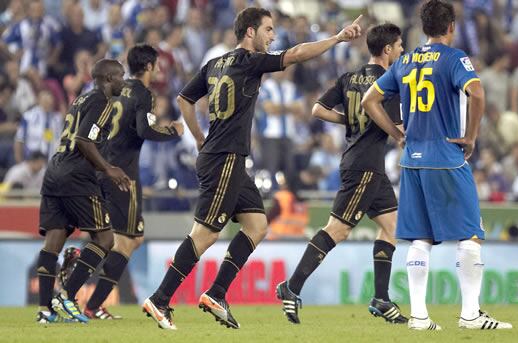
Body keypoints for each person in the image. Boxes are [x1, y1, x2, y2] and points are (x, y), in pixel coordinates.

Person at [142, 7, 363, 330]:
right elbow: (298, 54)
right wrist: (339, 38)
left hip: (226, 157)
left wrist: (200, 136)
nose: (272, 37)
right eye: (268, 30)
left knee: (257, 225)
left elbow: (184, 99)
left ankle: (217, 292)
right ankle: (161, 298)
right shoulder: (251, 61)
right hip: (224, 159)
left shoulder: (215, 64)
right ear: (250, 32)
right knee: (204, 234)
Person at [361, 0, 512, 331]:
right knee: (471, 234)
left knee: (419, 238)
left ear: (423, 27)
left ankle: (419, 316)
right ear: (451, 27)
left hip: (411, 161)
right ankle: (470, 314)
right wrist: (470, 137)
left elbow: (368, 100)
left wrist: (395, 132)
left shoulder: (405, 60)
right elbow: (478, 94)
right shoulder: (455, 58)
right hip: (446, 157)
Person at [275, 23, 407, 325]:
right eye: (399, 46)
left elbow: (318, 110)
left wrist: (349, 120)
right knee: (338, 229)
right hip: (364, 165)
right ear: (387, 50)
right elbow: (398, 129)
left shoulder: (349, 77)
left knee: (391, 226)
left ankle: (381, 299)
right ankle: (291, 287)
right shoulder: (390, 82)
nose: (401, 51)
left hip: (364, 163)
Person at [82, 44, 184, 320]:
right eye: (158, 64)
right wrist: (172, 131)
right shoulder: (143, 94)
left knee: (112, 239)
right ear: (149, 66)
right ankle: (90, 304)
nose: (160, 68)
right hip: (123, 174)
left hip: (99, 166)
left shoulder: (116, 87)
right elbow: (144, 130)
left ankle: (86, 297)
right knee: (131, 239)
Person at [35, 59, 130, 324]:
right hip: (76, 176)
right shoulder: (103, 101)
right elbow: (84, 140)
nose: (124, 80)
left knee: (54, 240)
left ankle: (45, 310)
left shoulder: (80, 100)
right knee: (105, 239)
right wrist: (109, 169)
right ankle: (66, 295)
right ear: (109, 79)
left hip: (54, 171)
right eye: (121, 76)